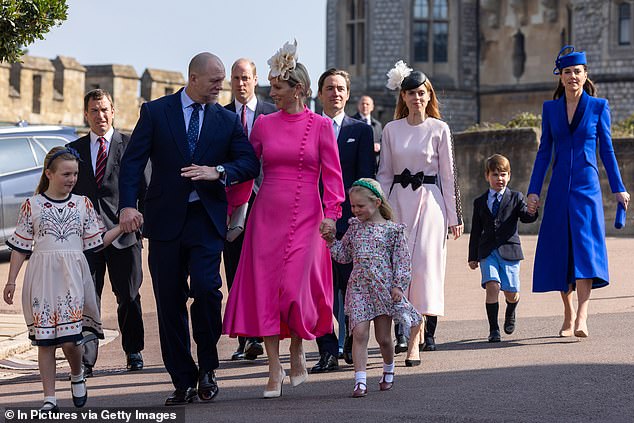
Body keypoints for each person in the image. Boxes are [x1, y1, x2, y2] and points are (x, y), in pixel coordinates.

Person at [118, 52, 260, 406]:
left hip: (206, 220)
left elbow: (248, 162)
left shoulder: (226, 120)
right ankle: (182, 379)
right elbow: (133, 162)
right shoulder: (156, 112)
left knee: (209, 291)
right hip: (164, 221)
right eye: (214, 81)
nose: (220, 87)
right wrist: (127, 204)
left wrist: (219, 171)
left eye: (222, 81)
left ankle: (208, 368)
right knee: (169, 302)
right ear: (192, 78)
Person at [222, 40, 345, 398]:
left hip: (309, 216)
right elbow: (247, 171)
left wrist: (333, 216)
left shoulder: (321, 126)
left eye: (277, 86)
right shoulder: (262, 125)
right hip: (266, 216)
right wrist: (232, 210)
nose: (270, 92)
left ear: (298, 89)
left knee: (294, 289)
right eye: (271, 86)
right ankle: (274, 366)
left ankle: (297, 350)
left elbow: (333, 178)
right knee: (267, 292)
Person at [3, 147, 122, 412]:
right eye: (66, 174)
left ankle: (77, 373)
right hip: (42, 277)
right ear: (49, 174)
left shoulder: (83, 204)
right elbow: (21, 247)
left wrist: (121, 228)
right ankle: (49, 397)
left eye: (75, 174)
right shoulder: (32, 205)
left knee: (70, 339)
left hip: (72, 277)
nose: (72, 179)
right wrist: (11, 280)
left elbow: (96, 242)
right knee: (45, 341)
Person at [526, 46, 629, 338]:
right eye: (567, 72)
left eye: (577, 72)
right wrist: (534, 191)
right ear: (561, 77)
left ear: (585, 75)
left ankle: (583, 315)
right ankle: (568, 312)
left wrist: (618, 188)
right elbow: (544, 152)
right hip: (559, 186)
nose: (573, 77)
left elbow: (607, 150)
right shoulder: (550, 109)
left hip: (587, 185)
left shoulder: (598, 107)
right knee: (561, 249)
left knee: (585, 247)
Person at [377, 60, 463, 366]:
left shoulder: (440, 129)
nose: (417, 98)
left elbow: (449, 175)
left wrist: (455, 217)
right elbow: (385, 174)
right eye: (411, 92)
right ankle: (405, 330)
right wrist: (378, 212)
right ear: (403, 96)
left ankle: (415, 341)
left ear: (429, 96)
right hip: (398, 202)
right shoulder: (390, 129)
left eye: (422, 92)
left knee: (425, 268)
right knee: (400, 270)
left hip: (431, 203)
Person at [67, 89, 146, 376]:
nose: (100, 116)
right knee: (88, 298)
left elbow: (146, 190)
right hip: (84, 240)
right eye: (93, 111)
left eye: (104, 110)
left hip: (125, 235)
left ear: (113, 111)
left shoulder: (131, 146)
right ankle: (87, 360)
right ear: (85, 114)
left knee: (129, 296)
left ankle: (134, 350)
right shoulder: (73, 149)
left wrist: (140, 223)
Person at [324, 178, 421, 398]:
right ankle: (360, 381)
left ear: (376, 203)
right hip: (359, 289)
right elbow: (343, 255)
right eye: (353, 206)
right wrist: (331, 242)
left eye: (360, 206)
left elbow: (403, 262)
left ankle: (388, 370)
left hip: (383, 290)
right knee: (359, 333)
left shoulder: (392, 231)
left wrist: (398, 286)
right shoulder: (354, 228)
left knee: (384, 338)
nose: (356, 210)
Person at [310, 68, 375, 373]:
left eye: (340, 88)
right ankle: (326, 349)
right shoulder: (308, 127)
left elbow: (364, 178)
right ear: (319, 93)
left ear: (348, 94)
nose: (335, 93)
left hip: (349, 222)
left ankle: (351, 338)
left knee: (350, 285)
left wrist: (359, 218)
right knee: (318, 288)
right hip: (313, 221)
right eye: (329, 88)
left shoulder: (360, 131)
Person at [223, 58, 276, 361]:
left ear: (256, 80)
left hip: (267, 200)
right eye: (236, 78)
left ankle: (262, 332)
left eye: (245, 78)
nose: (240, 83)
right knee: (236, 269)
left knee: (265, 269)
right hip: (232, 204)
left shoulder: (272, 112)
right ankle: (245, 338)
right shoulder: (221, 116)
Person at [468, 154, 538, 342]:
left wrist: (532, 211)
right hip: (487, 251)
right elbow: (475, 231)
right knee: (492, 286)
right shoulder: (480, 202)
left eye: (503, 174)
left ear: (509, 176)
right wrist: (472, 256)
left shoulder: (516, 197)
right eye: (495, 174)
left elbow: (525, 217)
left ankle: (511, 310)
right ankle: (494, 330)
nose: (499, 178)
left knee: (511, 292)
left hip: (509, 251)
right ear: (487, 176)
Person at [353, 95, 382, 166]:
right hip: (356, 163)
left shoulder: (378, 125)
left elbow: (383, 142)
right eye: (362, 104)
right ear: (358, 106)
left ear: (372, 107)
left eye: (367, 104)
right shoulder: (351, 123)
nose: (365, 106)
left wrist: (379, 146)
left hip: (374, 163)